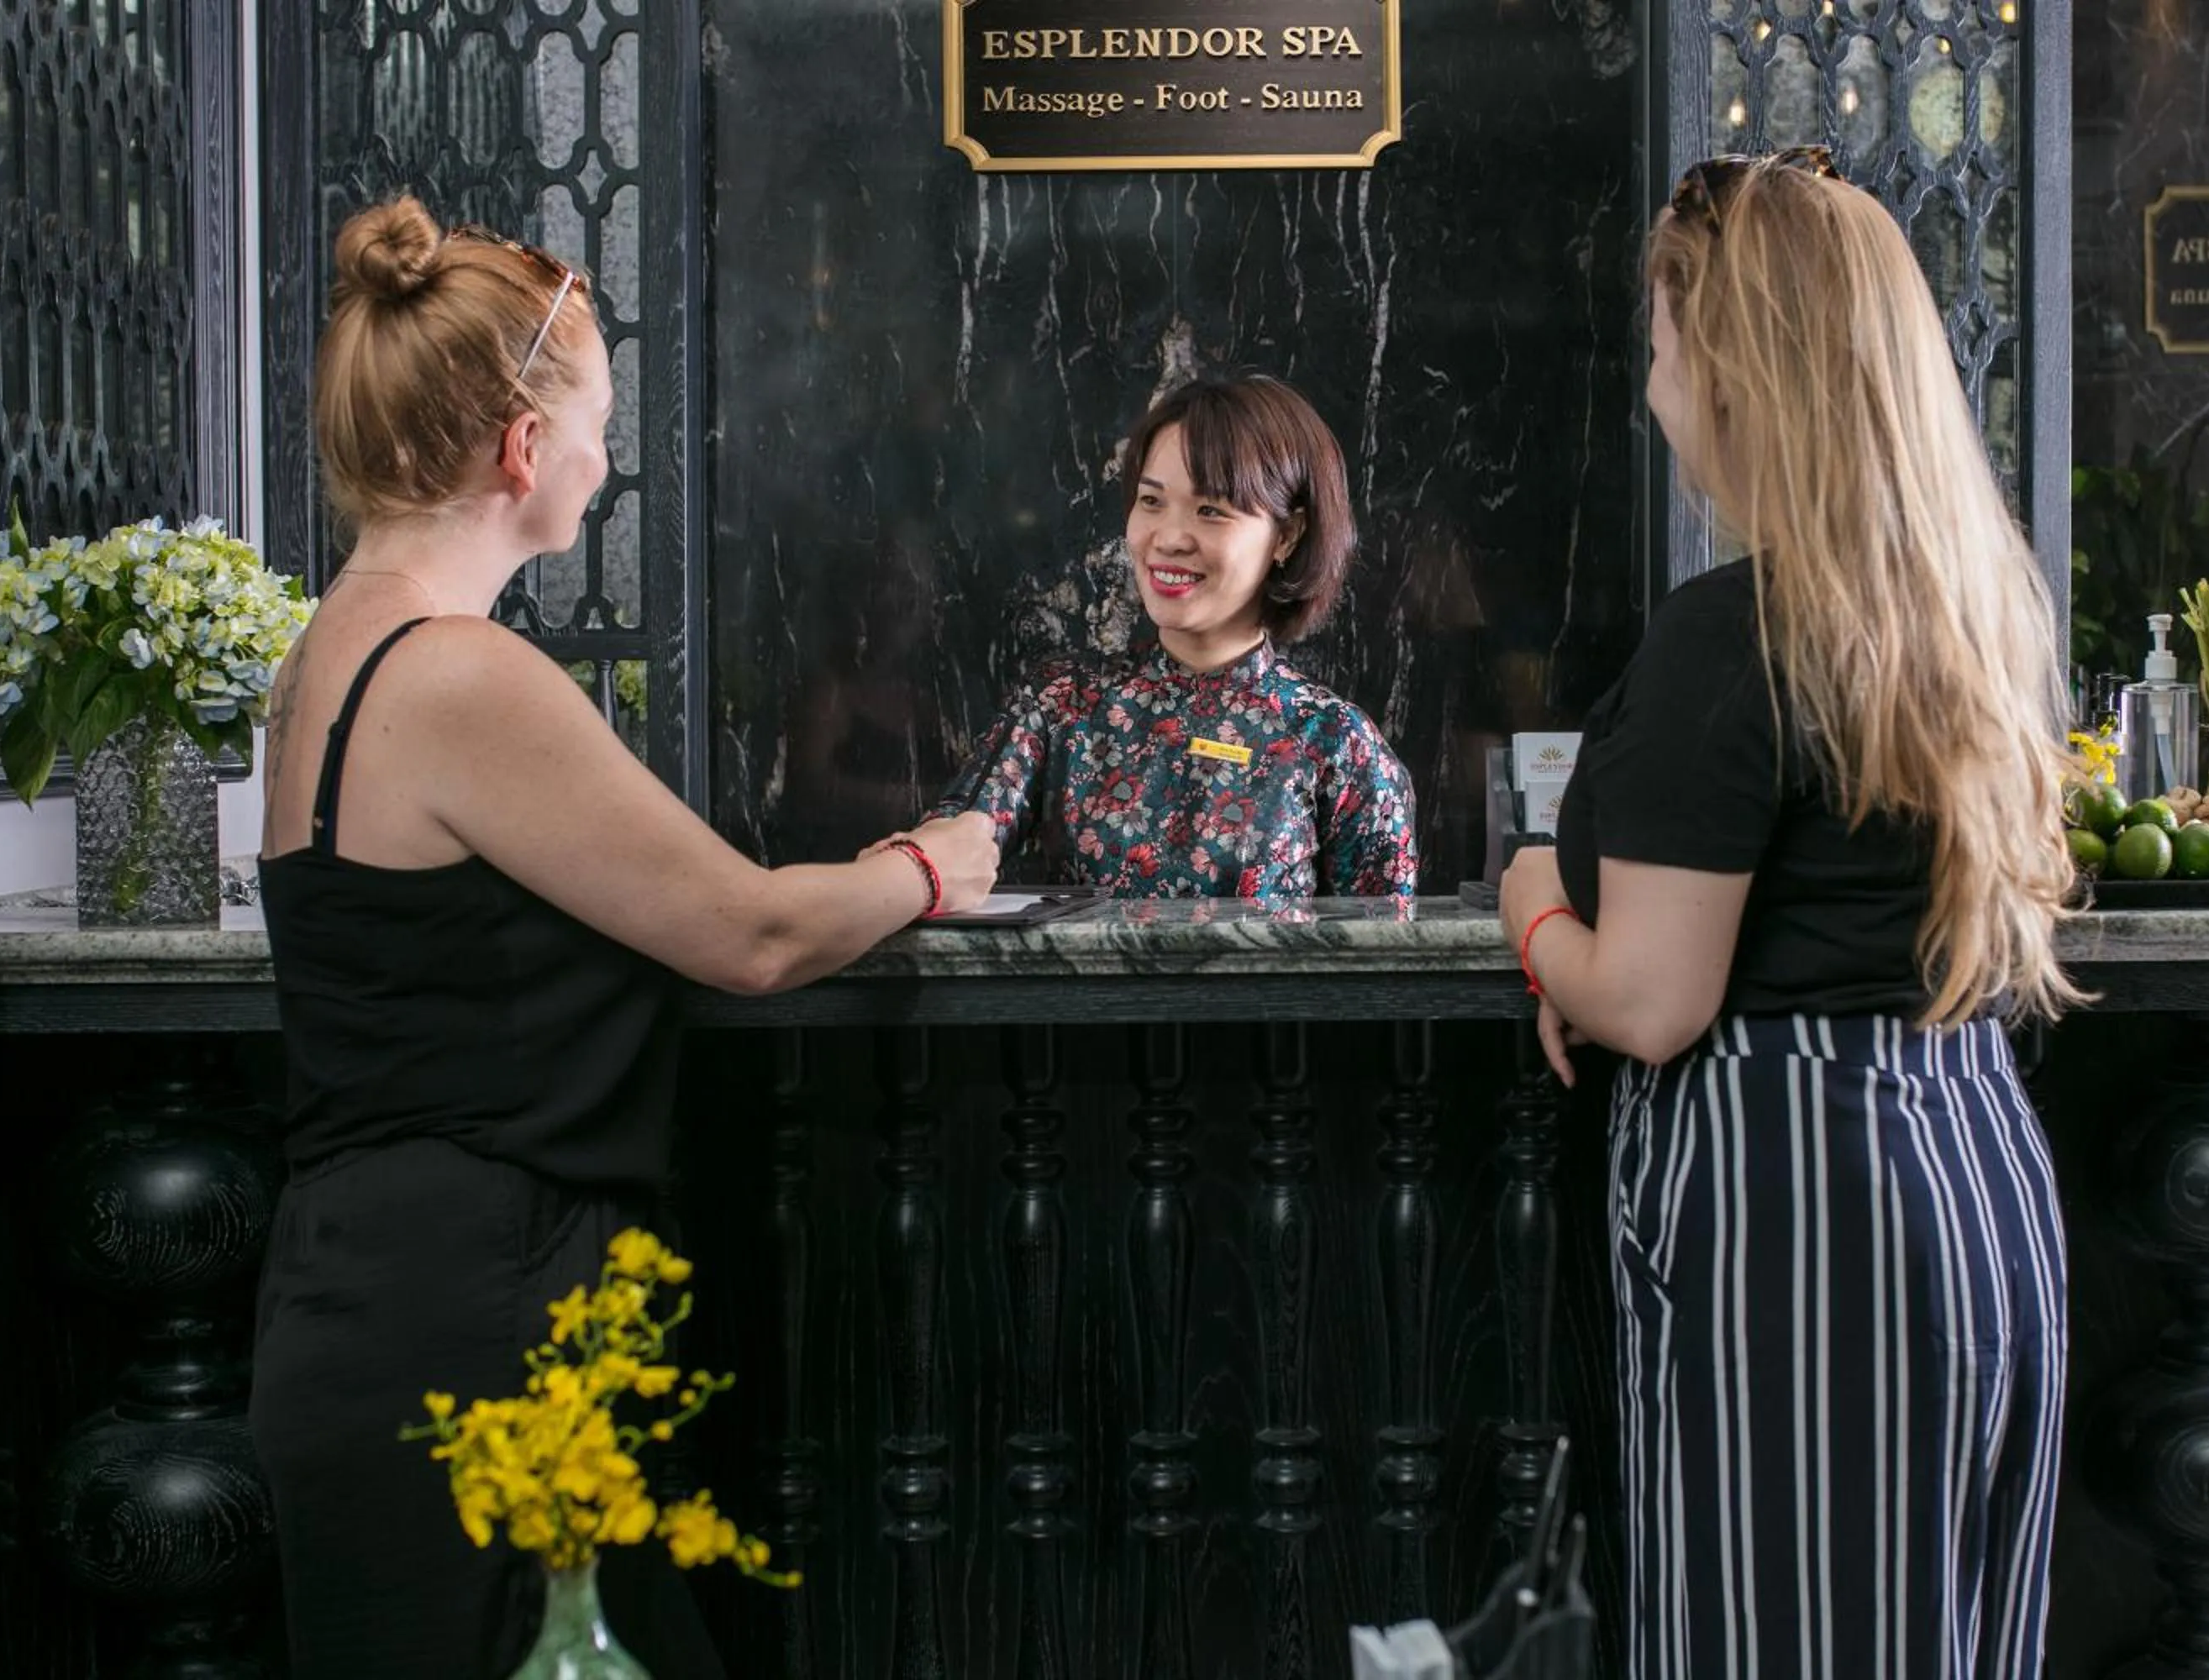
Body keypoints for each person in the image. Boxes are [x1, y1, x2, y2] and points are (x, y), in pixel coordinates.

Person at [251, 197, 1000, 1680]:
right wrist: (933, 863)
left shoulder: (331, 645)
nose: (607, 459)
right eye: (597, 423)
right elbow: (754, 932)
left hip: (376, 1291)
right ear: (523, 450)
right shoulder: (458, 671)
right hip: (466, 1326)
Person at [1496, 147, 2077, 1677]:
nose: (1657, 389)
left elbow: (1651, 998)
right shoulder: (1968, 620)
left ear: (1741, 372)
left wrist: (1530, 903)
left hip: (1804, 1213)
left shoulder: (1731, 639)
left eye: (1667, 347)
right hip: (1970, 1165)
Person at [930, 373, 1417, 899]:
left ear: (1288, 534)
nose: (1167, 539)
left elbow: (1381, 964)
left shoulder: (1337, 745)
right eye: (1152, 501)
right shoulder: (1065, 704)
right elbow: (946, 848)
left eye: (1211, 510)